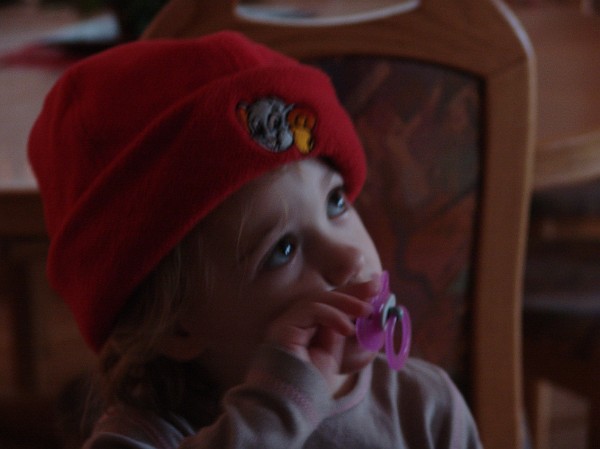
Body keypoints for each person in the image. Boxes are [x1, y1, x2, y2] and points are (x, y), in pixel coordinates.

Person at [28, 31, 482, 449]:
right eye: (282, 250)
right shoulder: (143, 438)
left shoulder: (425, 405)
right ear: (175, 328)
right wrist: (273, 413)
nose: (347, 257)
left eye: (336, 203)